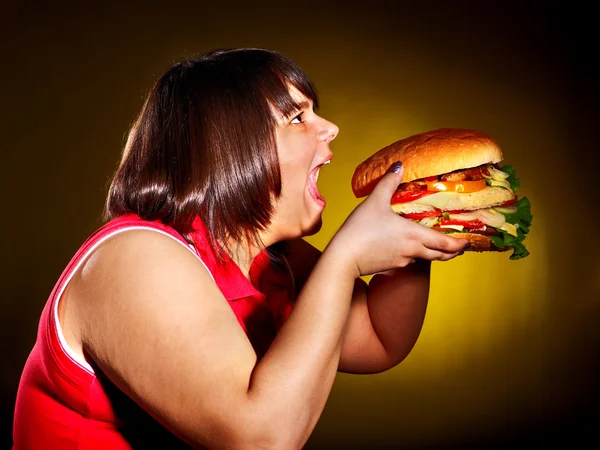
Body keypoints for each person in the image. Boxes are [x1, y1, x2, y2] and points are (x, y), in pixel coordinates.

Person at [13, 48, 468, 449]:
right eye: (297, 117)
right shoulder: (137, 255)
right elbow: (258, 440)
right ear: (230, 148)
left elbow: (379, 339)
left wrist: (417, 220)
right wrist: (345, 257)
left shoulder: (271, 259)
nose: (329, 128)